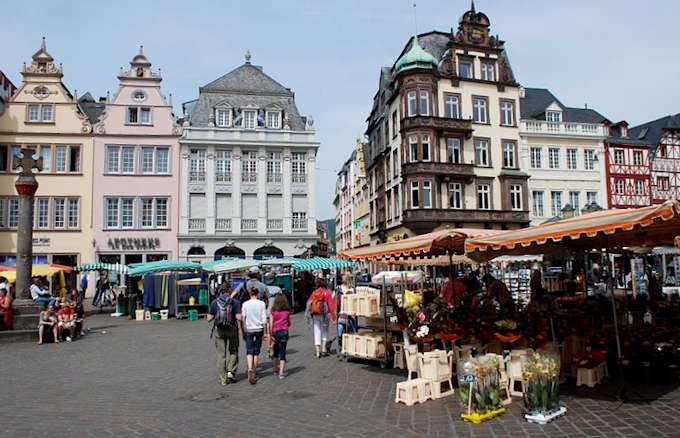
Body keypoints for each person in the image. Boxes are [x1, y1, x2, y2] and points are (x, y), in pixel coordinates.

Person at [207, 283, 242, 386]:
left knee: (221, 355)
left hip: (219, 331)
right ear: (229, 290)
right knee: (234, 351)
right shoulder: (235, 302)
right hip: (232, 329)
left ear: (220, 291)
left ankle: (223, 380)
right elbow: (239, 317)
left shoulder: (214, 302)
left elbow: (209, 319)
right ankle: (231, 372)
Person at [241, 286, 268, 384]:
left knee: (249, 350)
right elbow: (264, 319)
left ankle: (249, 369)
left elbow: (243, 319)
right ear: (257, 294)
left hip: (249, 329)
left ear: (250, 294)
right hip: (259, 329)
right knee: (256, 352)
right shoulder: (262, 304)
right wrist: (265, 332)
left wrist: (243, 330)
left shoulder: (245, 304)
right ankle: (254, 370)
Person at [305, 278, 336, 358]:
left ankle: (318, 352)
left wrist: (307, 315)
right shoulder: (328, 292)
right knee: (325, 331)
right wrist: (334, 318)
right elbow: (331, 306)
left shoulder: (314, 292)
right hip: (325, 315)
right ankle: (323, 349)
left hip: (315, 315)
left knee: (317, 331)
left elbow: (308, 303)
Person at [269, 294, 292, 379]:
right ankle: (281, 373)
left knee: (275, 352)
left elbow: (271, 324)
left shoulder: (273, 311)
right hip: (284, 332)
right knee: (282, 352)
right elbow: (289, 323)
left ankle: (275, 370)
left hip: (275, 332)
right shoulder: (287, 312)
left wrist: (270, 334)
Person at [335, 274, 355, 355]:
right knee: (352, 331)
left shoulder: (338, 288)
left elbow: (334, 300)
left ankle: (340, 342)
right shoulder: (352, 289)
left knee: (340, 325)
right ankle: (350, 347)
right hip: (349, 314)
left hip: (340, 314)